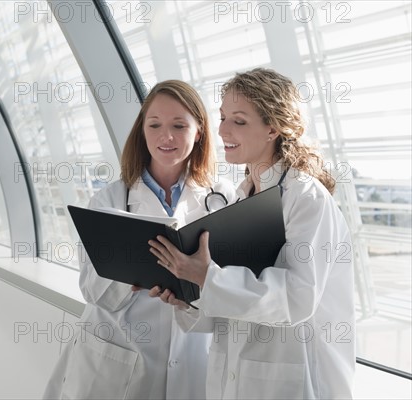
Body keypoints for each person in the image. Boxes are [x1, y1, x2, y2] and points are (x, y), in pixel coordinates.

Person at [148, 68, 355, 399]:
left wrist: (208, 279)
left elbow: (298, 298)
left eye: (239, 121)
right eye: (223, 117)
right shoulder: (243, 197)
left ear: (273, 127)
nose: (223, 129)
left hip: (292, 379)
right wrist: (187, 297)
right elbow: (232, 308)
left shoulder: (305, 197)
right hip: (237, 379)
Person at [43, 80, 236, 399]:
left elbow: (232, 283)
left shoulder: (223, 199)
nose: (166, 136)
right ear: (142, 131)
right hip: (119, 354)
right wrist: (131, 277)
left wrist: (193, 286)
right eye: (155, 124)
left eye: (179, 125)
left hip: (192, 356)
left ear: (199, 131)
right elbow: (91, 289)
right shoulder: (110, 200)